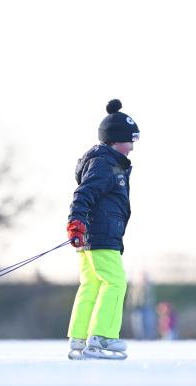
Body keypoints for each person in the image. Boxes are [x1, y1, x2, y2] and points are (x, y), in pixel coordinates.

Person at [65, 99, 139, 360]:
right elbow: (83, 193)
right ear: (116, 139)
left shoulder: (105, 162)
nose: (132, 146)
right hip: (102, 235)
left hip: (91, 235)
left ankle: (80, 337)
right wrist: (76, 221)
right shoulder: (105, 164)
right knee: (116, 281)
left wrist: (79, 226)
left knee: (92, 283)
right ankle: (103, 336)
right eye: (131, 140)